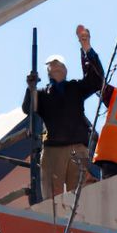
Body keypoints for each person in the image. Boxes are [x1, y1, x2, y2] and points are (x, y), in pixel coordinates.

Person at [22, 25, 105, 201]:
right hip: (53, 149)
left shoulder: (74, 88)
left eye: (59, 65)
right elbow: (29, 108)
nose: (56, 68)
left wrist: (87, 49)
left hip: (78, 148)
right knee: (53, 201)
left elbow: (97, 80)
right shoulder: (42, 94)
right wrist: (31, 89)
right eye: (52, 66)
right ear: (48, 72)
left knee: (82, 199)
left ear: (66, 70)